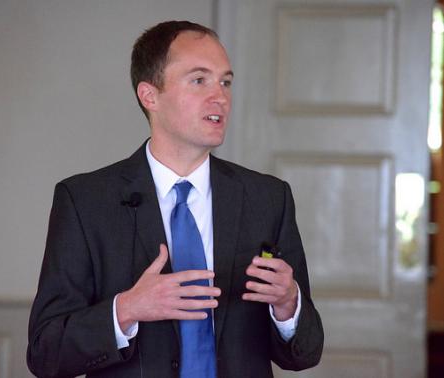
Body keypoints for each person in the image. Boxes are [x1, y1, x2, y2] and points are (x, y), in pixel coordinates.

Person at [27, 20, 323, 378]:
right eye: (199, 80)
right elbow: (45, 353)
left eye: (225, 82)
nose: (221, 97)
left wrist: (288, 303)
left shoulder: (268, 198)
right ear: (150, 95)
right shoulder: (84, 202)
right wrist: (127, 309)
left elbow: (305, 354)